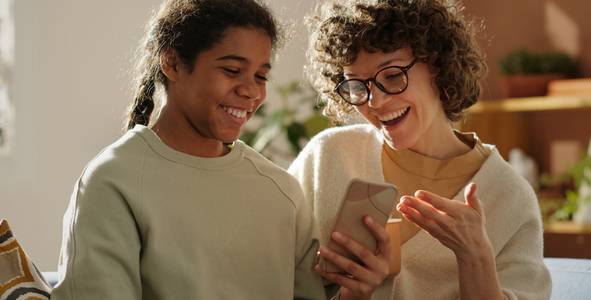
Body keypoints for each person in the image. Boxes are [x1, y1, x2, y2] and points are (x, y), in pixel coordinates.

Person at [50, 1, 328, 299]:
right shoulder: (112, 182)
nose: (252, 91)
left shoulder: (282, 192)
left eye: (260, 76)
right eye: (233, 70)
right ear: (172, 63)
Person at [289, 0, 552, 299]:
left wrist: (475, 255)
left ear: (439, 65)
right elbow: (271, 278)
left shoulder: (509, 197)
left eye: (392, 75)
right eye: (357, 86)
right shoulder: (327, 157)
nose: (374, 102)